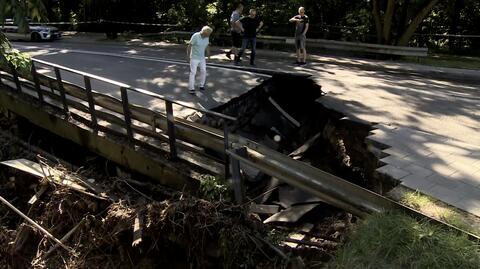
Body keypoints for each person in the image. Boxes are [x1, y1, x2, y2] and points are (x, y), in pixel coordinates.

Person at [187, 26, 213, 95]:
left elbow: (207, 46)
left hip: (202, 57)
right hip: (194, 57)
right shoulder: (195, 36)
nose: (208, 36)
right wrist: (188, 56)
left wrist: (209, 56)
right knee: (193, 72)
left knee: (203, 71)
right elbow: (189, 46)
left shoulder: (207, 37)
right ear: (204, 33)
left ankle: (201, 85)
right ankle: (191, 88)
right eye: (208, 34)